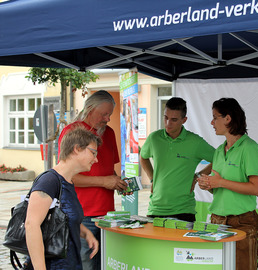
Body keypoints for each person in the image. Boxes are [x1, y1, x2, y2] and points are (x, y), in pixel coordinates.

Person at [58, 90, 127, 270]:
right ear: (89, 108)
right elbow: (68, 176)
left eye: (110, 114)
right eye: (103, 114)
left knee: (104, 264)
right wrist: (104, 181)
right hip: (83, 213)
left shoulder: (109, 133)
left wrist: (117, 182)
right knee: (84, 264)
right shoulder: (72, 132)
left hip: (107, 214)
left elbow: (107, 168)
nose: (107, 118)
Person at [198, 97, 258, 270]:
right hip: (217, 220)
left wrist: (221, 182)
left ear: (228, 118)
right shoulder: (219, 151)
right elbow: (220, 186)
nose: (212, 122)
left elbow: (257, 188)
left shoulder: (250, 148)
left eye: (215, 117)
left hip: (242, 221)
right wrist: (209, 185)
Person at [25, 126, 101, 269]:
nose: (96, 159)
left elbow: (62, 220)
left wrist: (86, 233)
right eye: (93, 152)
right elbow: (31, 225)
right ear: (77, 149)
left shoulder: (67, 182)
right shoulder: (49, 181)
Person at [140, 97, 215, 222]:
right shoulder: (154, 138)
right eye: (166, 118)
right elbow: (143, 157)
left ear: (184, 120)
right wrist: (153, 178)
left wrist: (198, 176)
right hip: (156, 209)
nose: (168, 123)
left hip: (184, 211)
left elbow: (219, 159)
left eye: (174, 120)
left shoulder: (195, 142)